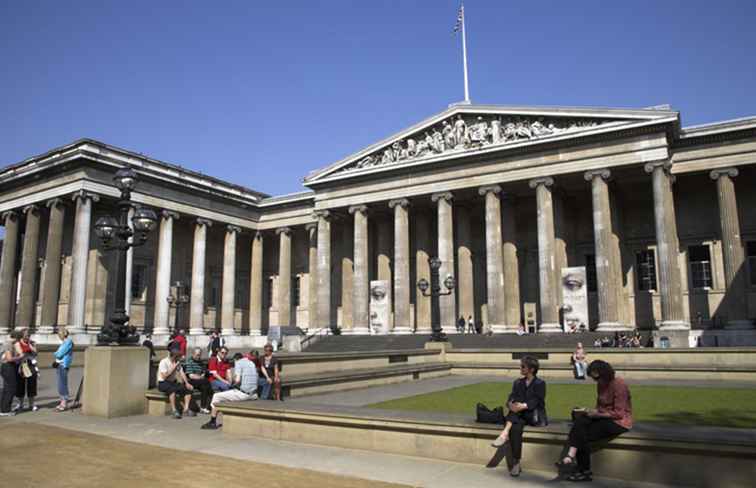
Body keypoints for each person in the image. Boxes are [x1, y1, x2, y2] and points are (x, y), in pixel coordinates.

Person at [557, 360, 632, 482]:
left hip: (619, 422)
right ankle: (580, 468)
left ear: (605, 374)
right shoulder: (601, 384)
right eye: (595, 379)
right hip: (604, 417)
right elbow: (600, 407)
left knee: (582, 434)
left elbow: (619, 413)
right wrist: (588, 411)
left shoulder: (619, 385)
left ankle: (578, 464)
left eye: (597, 378)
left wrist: (596, 414)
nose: (596, 382)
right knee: (581, 422)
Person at [491, 356, 547, 477]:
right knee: (515, 429)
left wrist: (524, 405)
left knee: (514, 415)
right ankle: (516, 463)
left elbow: (538, 401)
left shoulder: (540, 383)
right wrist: (510, 404)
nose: (520, 368)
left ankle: (504, 433)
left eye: (523, 366)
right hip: (518, 415)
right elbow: (512, 396)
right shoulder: (518, 382)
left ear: (531, 369)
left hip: (533, 415)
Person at [201, 349, 259, 430]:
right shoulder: (252, 363)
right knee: (229, 392)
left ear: (235, 360)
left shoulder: (239, 362)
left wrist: (234, 383)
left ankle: (212, 422)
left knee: (216, 396)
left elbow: (237, 380)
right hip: (254, 394)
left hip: (244, 394)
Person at [157, 347, 194, 419]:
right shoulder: (163, 362)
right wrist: (174, 367)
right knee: (172, 390)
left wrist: (187, 383)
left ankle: (186, 409)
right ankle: (174, 411)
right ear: (174, 356)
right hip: (163, 382)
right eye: (179, 356)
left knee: (187, 389)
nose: (180, 358)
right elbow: (164, 376)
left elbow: (182, 373)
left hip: (172, 382)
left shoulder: (177, 362)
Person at [14, 328, 39, 412]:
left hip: (31, 365)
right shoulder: (17, 343)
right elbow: (21, 353)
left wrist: (30, 345)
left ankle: (31, 404)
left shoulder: (31, 343)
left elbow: (35, 353)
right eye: (26, 335)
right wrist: (28, 351)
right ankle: (20, 404)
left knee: (32, 384)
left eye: (29, 335)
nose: (28, 337)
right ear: (22, 335)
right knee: (20, 385)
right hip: (21, 365)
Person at [183, 348, 213, 414]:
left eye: (199, 355)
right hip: (191, 381)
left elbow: (203, 371)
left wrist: (203, 373)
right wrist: (201, 377)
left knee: (205, 387)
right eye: (197, 355)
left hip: (200, 381)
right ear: (193, 354)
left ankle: (203, 407)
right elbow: (191, 376)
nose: (198, 356)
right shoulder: (189, 361)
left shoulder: (200, 362)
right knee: (206, 382)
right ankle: (208, 405)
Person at [1, 331, 23, 416]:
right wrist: (19, 357)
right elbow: (9, 358)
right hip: (8, 367)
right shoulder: (9, 344)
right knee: (11, 388)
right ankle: (5, 410)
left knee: (7, 388)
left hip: (6, 367)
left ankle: (3, 409)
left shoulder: (9, 343)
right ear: (17, 338)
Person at [53, 326, 74, 411]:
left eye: (59, 334)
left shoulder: (68, 342)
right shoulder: (64, 343)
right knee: (60, 384)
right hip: (59, 365)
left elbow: (59, 354)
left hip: (63, 365)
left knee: (62, 384)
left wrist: (56, 353)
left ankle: (64, 402)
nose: (59, 336)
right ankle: (62, 401)